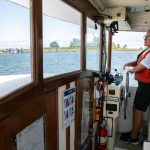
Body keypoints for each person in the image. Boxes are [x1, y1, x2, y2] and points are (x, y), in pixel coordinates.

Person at [120, 30, 150, 144]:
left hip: (147, 87)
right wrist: (129, 63)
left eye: (147, 37)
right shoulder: (146, 51)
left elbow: (138, 68)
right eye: (145, 36)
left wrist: (131, 69)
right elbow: (138, 62)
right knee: (134, 108)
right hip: (142, 85)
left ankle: (134, 138)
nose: (145, 38)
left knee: (138, 111)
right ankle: (134, 131)